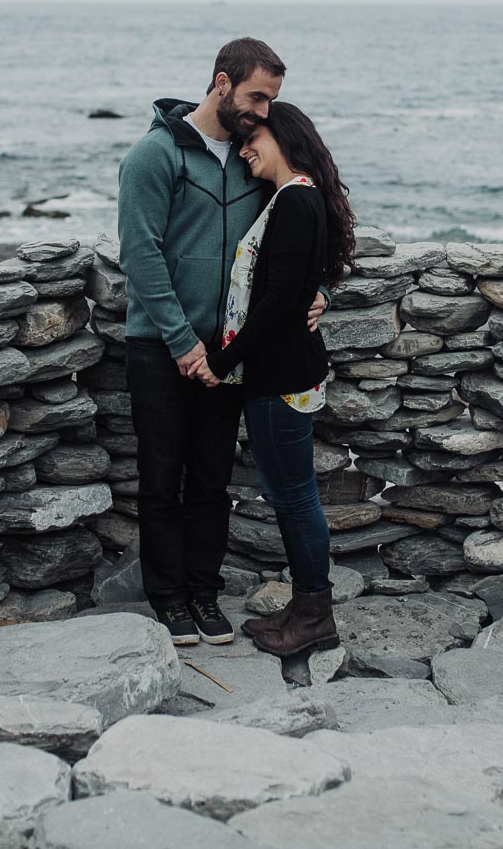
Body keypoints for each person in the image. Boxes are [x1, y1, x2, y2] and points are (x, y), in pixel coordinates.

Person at [117, 38, 326, 646]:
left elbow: (298, 240)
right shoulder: (153, 157)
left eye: (272, 100)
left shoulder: (253, 155)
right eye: (257, 96)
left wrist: (320, 296)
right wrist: (184, 345)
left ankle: (204, 595)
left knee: (211, 478)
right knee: (161, 475)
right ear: (221, 83)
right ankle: (169, 599)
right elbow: (142, 255)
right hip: (162, 345)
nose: (264, 111)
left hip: (232, 348)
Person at [193, 102, 356, 657]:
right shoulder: (294, 198)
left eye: (253, 137)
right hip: (284, 371)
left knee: (294, 498)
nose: (243, 150)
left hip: (280, 377)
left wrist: (220, 359)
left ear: (282, 135)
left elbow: (281, 301)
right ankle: (307, 608)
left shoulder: (296, 200)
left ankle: (314, 616)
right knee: (293, 495)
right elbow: (307, 278)